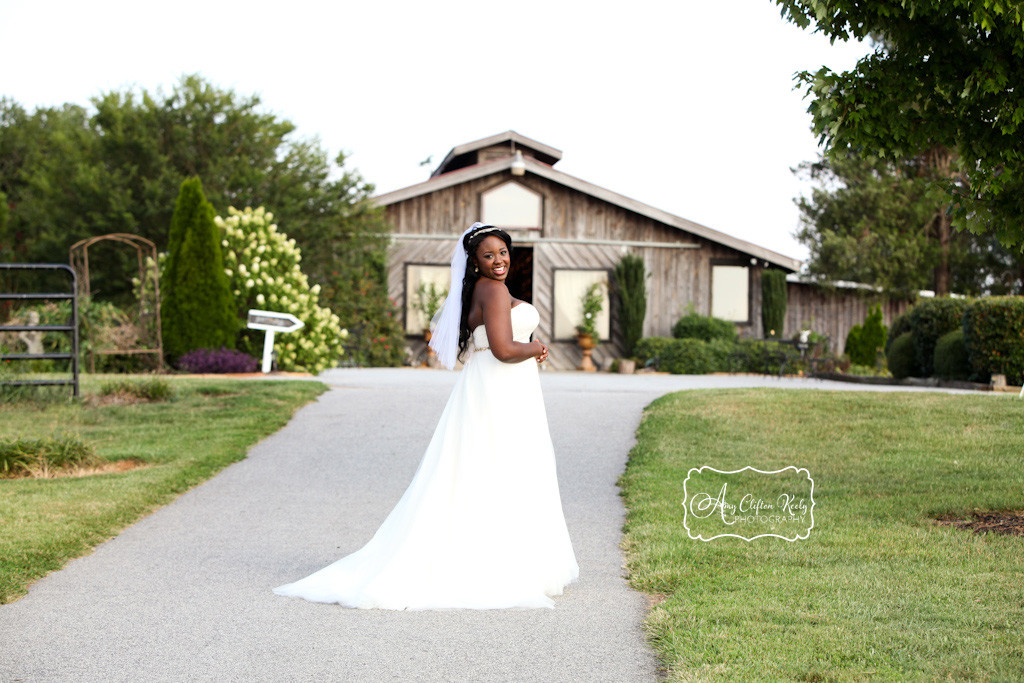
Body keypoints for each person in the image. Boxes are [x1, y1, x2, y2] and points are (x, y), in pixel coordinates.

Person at [273, 222, 579, 610]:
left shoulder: (479, 291)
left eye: (502, 252)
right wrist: (535, 348)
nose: (499, 260)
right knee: (505, 466)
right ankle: (501, 563)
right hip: (502, 388)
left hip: (491, 386)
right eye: (489, 255)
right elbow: (502, 349)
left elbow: (489, 344)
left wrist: (526, 349)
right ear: (474, 261)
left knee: (480, 466)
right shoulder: (495, 290)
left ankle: (495, 555)